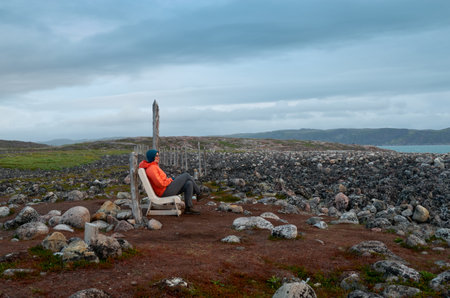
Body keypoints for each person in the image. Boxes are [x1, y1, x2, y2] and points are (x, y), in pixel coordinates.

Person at [139, 149, 203, 215]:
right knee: (186, 175)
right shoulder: (151, 169)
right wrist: (170, 180)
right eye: (156, 156)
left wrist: (170, 180)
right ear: (152, 157)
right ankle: (199, 193)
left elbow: (161, 181)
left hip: (165, 189)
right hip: (164, 192)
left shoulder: (153, 166)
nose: (158, 157)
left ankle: (188, 208)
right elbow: (160, 184)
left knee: (188, 183)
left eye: (158, 155)